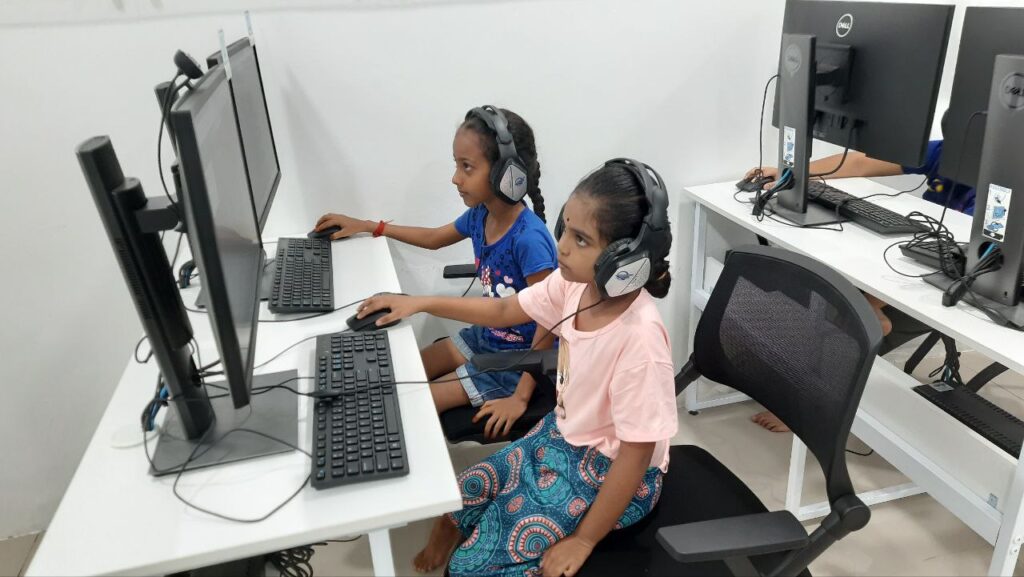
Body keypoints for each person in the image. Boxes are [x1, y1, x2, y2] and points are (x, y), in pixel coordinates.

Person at [356, 159, 678, 576]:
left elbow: (636, 455)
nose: (562, 246)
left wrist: (584, 540)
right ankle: (451, 534)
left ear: (626, 258)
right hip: (562, 431)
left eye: (581, 239)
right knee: (464, 491)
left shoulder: (640, 340)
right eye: (565, 228)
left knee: (470, 566)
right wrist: (419, 303)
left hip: (610, 469)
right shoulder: (575, 285)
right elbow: (506, 309)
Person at [315, 107, 557, 439]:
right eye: (457, 165)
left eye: (467, 167)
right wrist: (371, 226)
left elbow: (549, 321)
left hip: (517, 362)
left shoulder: (529, 240)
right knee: (400, 372)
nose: (456, 178)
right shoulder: (480, 215)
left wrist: (520, 398)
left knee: (412, 400)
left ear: (506, 174)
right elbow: (433, 238)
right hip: (488, 338)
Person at [745, 139, 967, 432]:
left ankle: (809, 406)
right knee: (835, 295)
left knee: (847, 313)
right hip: (919, 260)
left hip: (955, 288)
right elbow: (861, 162)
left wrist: (874, 298)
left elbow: (973, 258)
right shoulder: (948, 150)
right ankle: (812, 384)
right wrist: (793, 174)